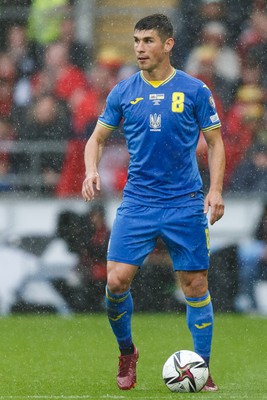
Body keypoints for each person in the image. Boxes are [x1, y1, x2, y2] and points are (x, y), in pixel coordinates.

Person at [82, 14, 225, 392]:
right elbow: (95, 139)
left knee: (195, 284)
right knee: (115, 281)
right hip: (139, 203)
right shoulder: (124, 92)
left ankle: (202, 367)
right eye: (136, 41)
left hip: (185, 203)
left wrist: (216, 190)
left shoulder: (195, 90)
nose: (140, 48)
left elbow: (215, 143)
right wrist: (90, 170)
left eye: (147, 41)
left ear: (168, 44)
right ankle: (127, 352)